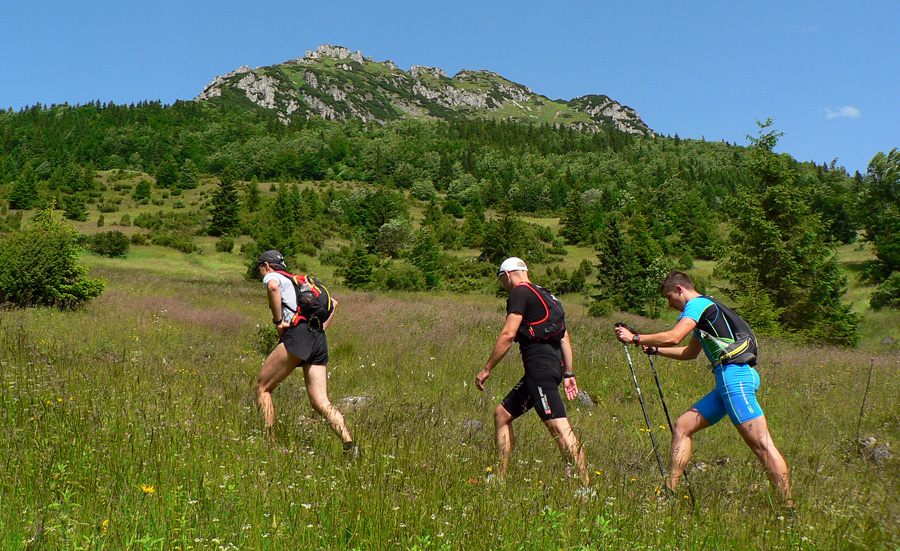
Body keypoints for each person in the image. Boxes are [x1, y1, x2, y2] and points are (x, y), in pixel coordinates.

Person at [615, 270, 792, 508]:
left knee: (763, 446)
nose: (669, 304)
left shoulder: (697, 305)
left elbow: (674, 337)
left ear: (679, 290)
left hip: (735, 378)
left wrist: (636, 338)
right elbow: (689, 353)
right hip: (728, 380)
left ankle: (787, 509)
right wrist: (655, 350)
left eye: (669, 297)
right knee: (682, 427)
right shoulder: (706, 313)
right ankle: (669, 492)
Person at [475, 257, 589, 486]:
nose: (504, 287)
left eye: (501, 281)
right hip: (552, 366)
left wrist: (487, 368)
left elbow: (508, 335)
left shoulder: (519, 292)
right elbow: (564, 336)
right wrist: (568, 373)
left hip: (539, 368)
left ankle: (584, 487)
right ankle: (498, 477)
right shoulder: (548, 296)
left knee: (559, 428)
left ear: (507, 275)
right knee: (502, 415)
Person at [254, 250, 356, 454]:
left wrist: (278, 322)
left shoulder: (273, 277)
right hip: (318, 338)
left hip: (297, 336)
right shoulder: (299, 281)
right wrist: (319, 329)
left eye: (260, 269)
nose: (260, 273)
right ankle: (349, 445)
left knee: (263, 387)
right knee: (321, 402)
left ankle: (269, 443)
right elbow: (333, 303)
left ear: (266, 265)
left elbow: (272, 287)